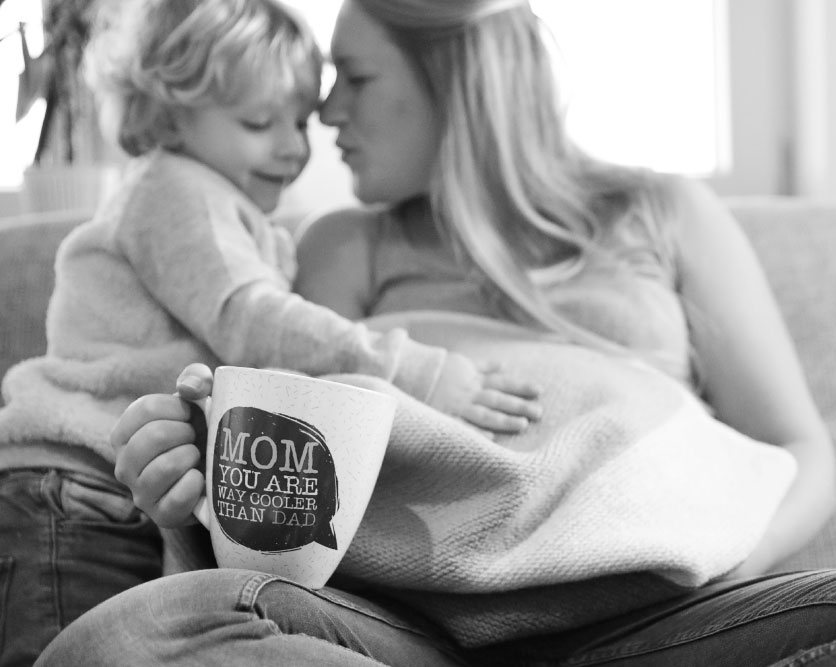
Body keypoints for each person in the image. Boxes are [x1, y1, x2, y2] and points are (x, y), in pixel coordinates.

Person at [33, 0, 836, 664]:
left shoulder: (660, 214)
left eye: (355, 78)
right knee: (135, 635)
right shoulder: (344, 245)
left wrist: (691, 559)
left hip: (665, 616)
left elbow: (802, 452)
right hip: (405, 626)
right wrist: (181, 510)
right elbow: (287, 473)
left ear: (455, 76)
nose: (324, 113)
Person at [0, 1, 540, 665]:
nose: (292, 147)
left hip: (132, 492)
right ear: (168, 114)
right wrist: (413, 369)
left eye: (298, 120)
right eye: (260, 122)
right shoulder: (177, 193)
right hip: (73, 485)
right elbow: (255, 322)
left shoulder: (241, 216)